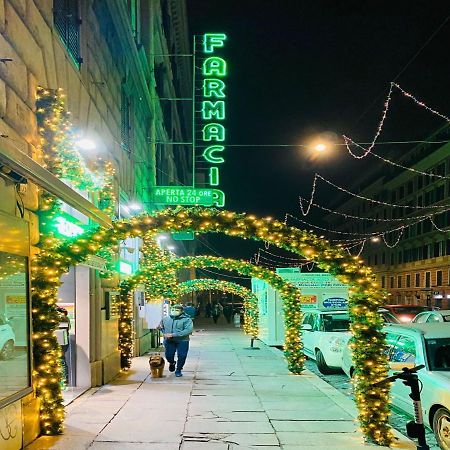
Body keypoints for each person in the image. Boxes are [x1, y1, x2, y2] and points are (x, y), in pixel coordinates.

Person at [159, 304, 193, 377]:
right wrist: (162, 331)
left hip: (182, 340)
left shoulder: (187, 319)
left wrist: (174, 334)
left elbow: (188, 330)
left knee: (182, 355)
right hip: (169, 340)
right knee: (169, 355)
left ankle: (178, 369)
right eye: (173, 310)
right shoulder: (166, 319)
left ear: (181, 311)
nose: (174, 311)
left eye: (177, 310)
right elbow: (161, 327)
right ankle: (172, 363)